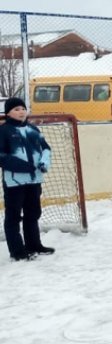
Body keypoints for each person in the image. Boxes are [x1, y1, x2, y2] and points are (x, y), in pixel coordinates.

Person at [0, 97, 55, 261]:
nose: (21, 112)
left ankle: (34, 244)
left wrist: (44, 162)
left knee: (33, 213)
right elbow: (2, 156)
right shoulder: (3, 131)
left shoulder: (33, 129)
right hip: (14, 182)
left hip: (34, 180)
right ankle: (17, 251)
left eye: (23, 108)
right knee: (13, 217)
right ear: (8, 113)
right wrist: (24, 167)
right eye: (16, 109)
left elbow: (46, 148)